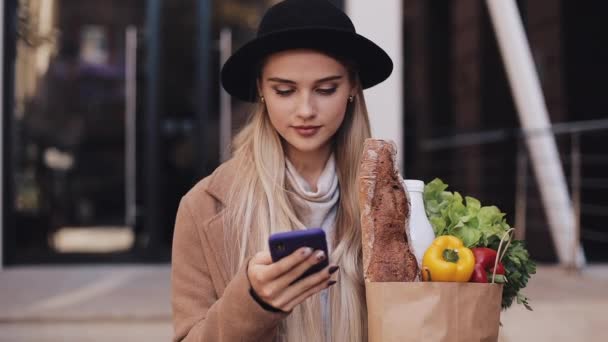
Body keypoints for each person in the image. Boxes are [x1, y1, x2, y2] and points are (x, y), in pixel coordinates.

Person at [171, 0, 393, 341]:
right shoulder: (203, 208)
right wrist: (253, 303)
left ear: (352, 88)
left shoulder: (393, 204)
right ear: (260, 89)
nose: (305, 110)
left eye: (326, 89)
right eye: (285, 90)